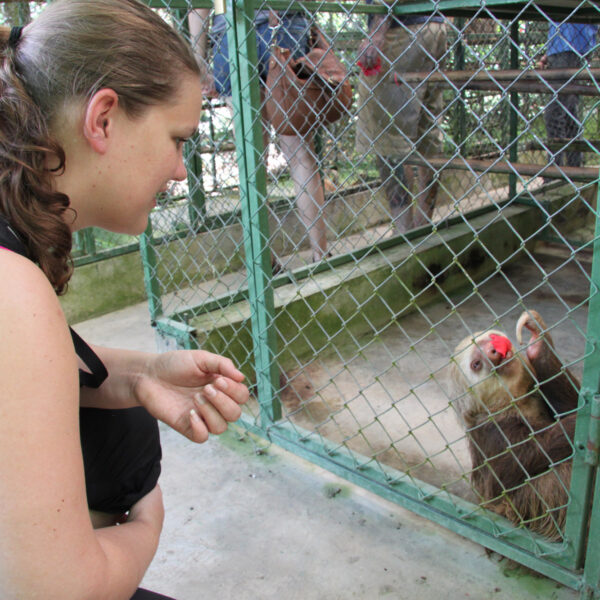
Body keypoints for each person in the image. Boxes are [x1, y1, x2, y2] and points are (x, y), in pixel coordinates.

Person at [0, 1, 249, 599]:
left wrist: (142, 373)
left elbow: (33, 372)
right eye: (176, 139)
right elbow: (61, 590)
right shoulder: (12, 290)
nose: (180, 171)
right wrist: (147, 520)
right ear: (104, 118)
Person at [189, 8, 329, 268]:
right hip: (285, 27)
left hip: (232, 33)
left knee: (251, 158)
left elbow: (198, 7)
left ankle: (264, 260)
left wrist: (198, 58)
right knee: (300, 154)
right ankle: (321, 255)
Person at [355, 3, 447, 233]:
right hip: (434, 25)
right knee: (428, 132)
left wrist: (377, 33)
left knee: (388, 138)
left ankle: (403, 234)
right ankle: (422, 227)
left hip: (400, 28)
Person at [539, 22, 598, 168]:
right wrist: (551, 49)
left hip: (570, 44)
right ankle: (573, 168)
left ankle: (554, 171)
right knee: (568, 110)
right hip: (565, 45)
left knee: (554, 113)